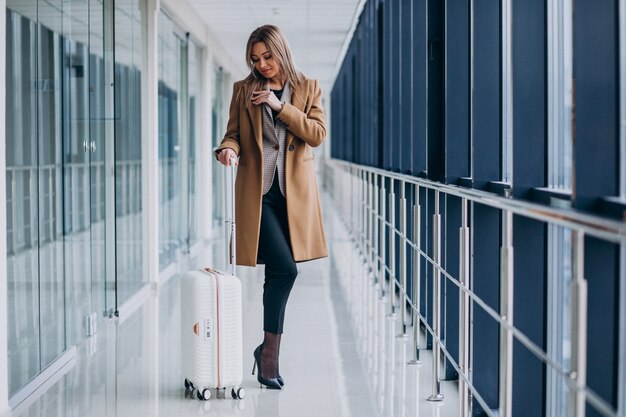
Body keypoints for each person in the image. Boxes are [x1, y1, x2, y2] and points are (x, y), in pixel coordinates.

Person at [214, 24, 328, 390]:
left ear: (281, 51)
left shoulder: (308, 87)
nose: (262, 65)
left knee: (278, 273)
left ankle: (267, 352)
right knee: (286, 270)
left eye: (267, 57)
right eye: (255, 59)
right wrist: (228, 148)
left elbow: (316, 134)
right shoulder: (243, 90)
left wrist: (282, 108)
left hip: (292, 196)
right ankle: (269, 357)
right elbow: (232, 132)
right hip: (257, 193)